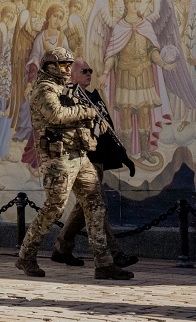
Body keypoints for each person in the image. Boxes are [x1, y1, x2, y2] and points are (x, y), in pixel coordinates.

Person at [16, 47, 134, 280]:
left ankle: (104, 263)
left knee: (96, 206)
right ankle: (26, 256)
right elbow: (56, 115)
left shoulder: (66, 89)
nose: (68, 69)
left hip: (80, 156)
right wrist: (84, 111)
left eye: (70, 65)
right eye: (63, 65)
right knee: (54, 208)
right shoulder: (44, 89)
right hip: (58, 159)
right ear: (49, 66)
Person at [51, 58, 139, 268]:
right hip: (82, 161)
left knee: (85, 207)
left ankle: (61, 249)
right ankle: (112, 255)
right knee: (97, 206)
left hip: (96, 159)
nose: (89, 74)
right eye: (84, 71)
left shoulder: (92, 97)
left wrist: (122, 154)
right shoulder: (68, 97)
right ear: (71, 75)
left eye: (90, 70)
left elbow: (106, 129)